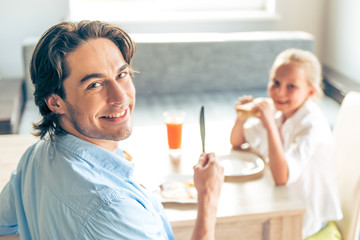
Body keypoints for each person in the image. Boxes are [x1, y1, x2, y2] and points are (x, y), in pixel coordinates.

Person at [0, 20, 224, 239]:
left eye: (121, 75)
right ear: (56, 102)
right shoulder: (113, 210)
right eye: (94, 85)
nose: (120, 97)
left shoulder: (36, 155)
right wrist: (208, 199)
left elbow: (4, 224)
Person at [230, 48, 343, 238]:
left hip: (304, 218)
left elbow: (281, 176)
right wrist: (241, 118)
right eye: (275, 83)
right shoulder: (278, 112)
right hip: (282, 199)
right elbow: (236, 141)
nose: (280, 92)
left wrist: (269, 126)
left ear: (310, 92)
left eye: (291, 86)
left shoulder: (311, 125)